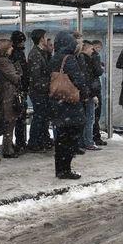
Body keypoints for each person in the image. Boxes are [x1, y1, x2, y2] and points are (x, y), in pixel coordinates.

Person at [49, 30, 87, 179]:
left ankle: (60, 169)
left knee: (62, 138)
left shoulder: (54, 58)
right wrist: (84, 93)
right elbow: (78, 79)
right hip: (70, 102)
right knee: (72, 136)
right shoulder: (69, 59)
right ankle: (66, 169)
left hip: (57, 101)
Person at [0, 39, 23, 158]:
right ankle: (7, 148)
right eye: (10, 47)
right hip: (8, 94)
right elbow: (15, 77)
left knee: (10, 121)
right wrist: (19, 72)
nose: (12, 49)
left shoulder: (3, 61)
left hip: (8, 93)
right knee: (9, 122)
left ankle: (9, 146)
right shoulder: (3, 62)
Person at [26, 29, 53, 152]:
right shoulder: (35, 54)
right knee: (39, 116)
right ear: (41, 39)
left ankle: (43, 139)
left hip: (42, 90)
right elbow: (36, 76)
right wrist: (47, 85)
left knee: (43, 116)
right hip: (38, 91)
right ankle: (34, 141)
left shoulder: (42, 53)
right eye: (45, 37)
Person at [79, 41, 102, 151]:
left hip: (84, 93)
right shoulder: (86, 60)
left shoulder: (79, 58)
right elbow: (88, 79)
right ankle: (88, 142)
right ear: (86, 48)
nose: (93, 51)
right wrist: (93, 95)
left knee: (86, 118)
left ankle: (83, 141)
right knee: (90, 118)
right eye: (91, 49)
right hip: (88, 93)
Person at [10, 30, 29, 153]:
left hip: (19, 89)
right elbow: (21, 74)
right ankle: (20, 142)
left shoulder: (14, 54)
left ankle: (20, 142)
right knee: (19, 117)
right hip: (19, 89)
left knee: (19, 117)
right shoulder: (18, 55)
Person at [91, 40, 107, 146]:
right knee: (95, 115)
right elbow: (98, 71)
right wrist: (101, 68)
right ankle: (96, 137)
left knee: (93, 115)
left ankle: (93, 136)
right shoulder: (95, 56)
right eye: (95, 47)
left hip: (92, 88)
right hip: (94, 89)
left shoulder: (89, 57)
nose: (97, 50)